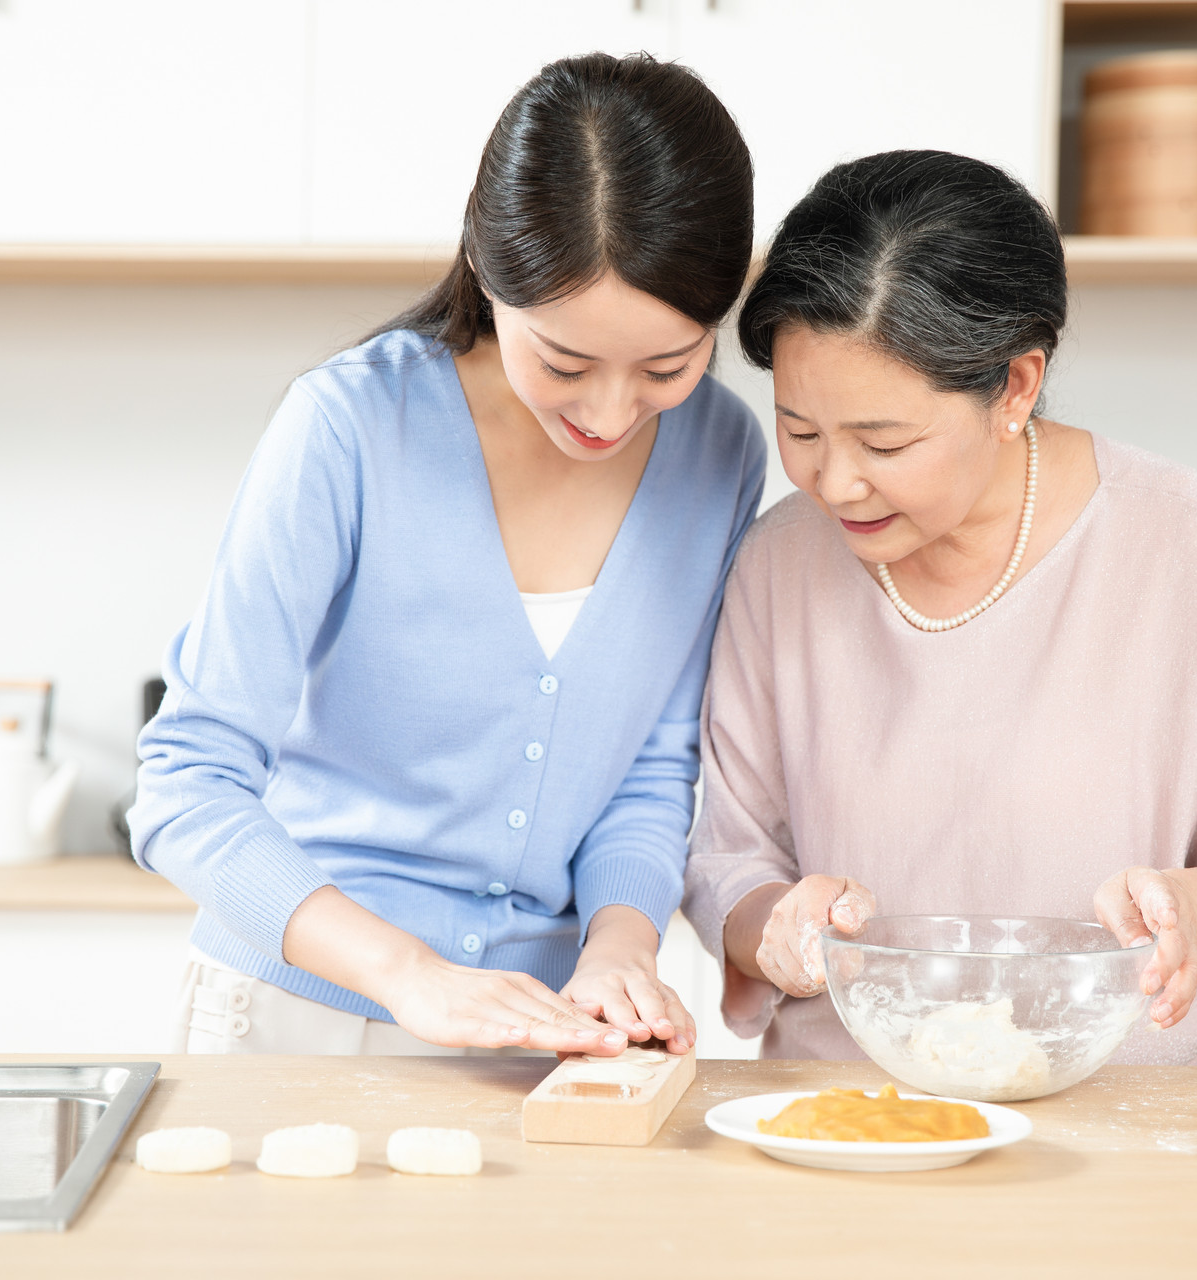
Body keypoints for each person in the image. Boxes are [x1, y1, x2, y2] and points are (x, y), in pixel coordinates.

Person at [683, 150, 1197, 1065]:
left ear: (1015, 387)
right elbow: (727, 864)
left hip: (1131, 1137)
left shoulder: (1186, 545)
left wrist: (1192, 910)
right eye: (800, 430)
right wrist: (776, 925)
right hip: (849, 1128)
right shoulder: (778, 562)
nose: (836, 481)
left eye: (884, 440)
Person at [130, 53, 765, 1057]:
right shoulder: (348, 427)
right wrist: (407, 974)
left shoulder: (720, 453)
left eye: (665, 366)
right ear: (487, 266)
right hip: (292, 1021)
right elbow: (185, 782)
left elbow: (649, 769)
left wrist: (618, 950)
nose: (610, 412)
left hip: (538, 1041)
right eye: (563, 360)